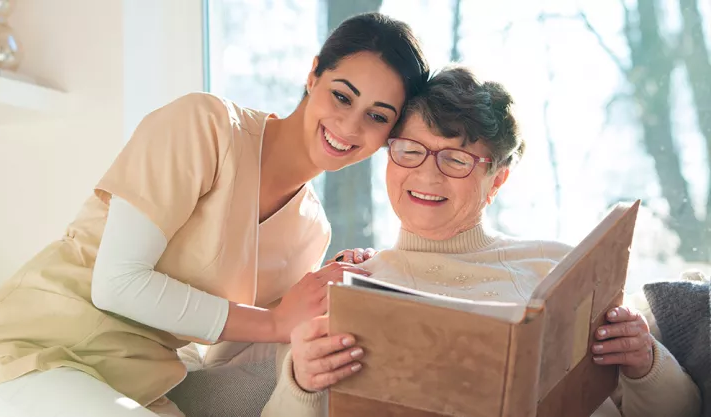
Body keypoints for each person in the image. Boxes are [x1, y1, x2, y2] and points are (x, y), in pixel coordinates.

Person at [0, 12, 430, 417]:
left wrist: (326, 310)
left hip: (140, 385)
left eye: (378, 115)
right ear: (313, 74)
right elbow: (117, 283)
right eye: (342, 95)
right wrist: (277, 322)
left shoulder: (311, 230)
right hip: (31, 354)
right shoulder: (207, 127)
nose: (349, 124)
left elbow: (229, 349)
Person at [261, 65, 702, 417]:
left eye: (456, 159)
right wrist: (300, 379)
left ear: (497, 180)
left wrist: (645, 361)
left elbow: (683, 410)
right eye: (410, 150)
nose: (427, 175)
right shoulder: (347, 286)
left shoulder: (558, 268)